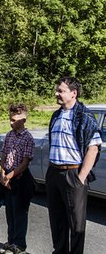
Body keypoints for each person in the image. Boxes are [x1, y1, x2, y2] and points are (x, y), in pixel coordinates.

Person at [46, 77, 102, 254]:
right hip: (54, 172)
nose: (57, 93)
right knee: (57, 220)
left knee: (76, 223)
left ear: (73, 93)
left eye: (60, 91)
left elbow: (93, 149)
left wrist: (81, 178)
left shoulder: (84, 116)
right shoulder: (56, 115)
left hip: (73, 173)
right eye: (57, 90)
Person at [0, 104, 35, 254]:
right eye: (10, 119)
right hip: (6, 176)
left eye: (14, 120)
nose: (11, 122)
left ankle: (19, 244)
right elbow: (4, 156)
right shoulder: (9, 135)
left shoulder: (28, 138)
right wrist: (2, 174)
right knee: (10, 212)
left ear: (23, 119)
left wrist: (10, 176)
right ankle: (11, 240)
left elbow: (25, 162)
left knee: (20, 212)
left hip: (19, 177)